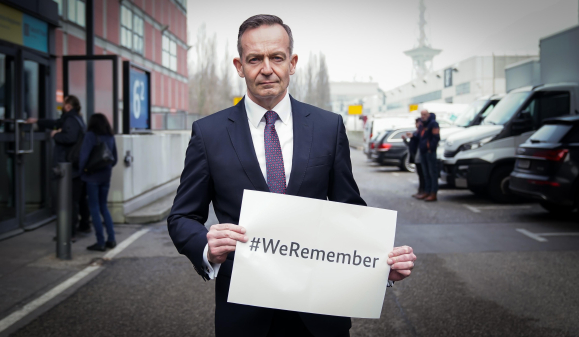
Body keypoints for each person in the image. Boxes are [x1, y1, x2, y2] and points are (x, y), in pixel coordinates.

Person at [167, 15, 416, 337]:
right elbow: (182, 216)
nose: (266, 68)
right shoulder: (209, 133)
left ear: (293, 62)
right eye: (255, 59)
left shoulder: (328, 127)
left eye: (277, 57)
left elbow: (350, 211)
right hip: (244, 314)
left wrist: (380, 263)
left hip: (321, 310)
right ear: (239, 66)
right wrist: (206, 246)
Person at [27, 95, 91, 237]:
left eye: (63, 104)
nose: (62, 106)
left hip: (69, 165)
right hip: (76, 164)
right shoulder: (76, 119)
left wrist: (55, 135)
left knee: (70, 199)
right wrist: (38, 121)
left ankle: (69, 232)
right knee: (78, 198)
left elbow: (69, 137)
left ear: (68, 106)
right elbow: (56, 123)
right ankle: (84, 224)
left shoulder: (70, 120)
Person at [77, 113, 118, 252]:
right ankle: (111, 239)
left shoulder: (90, 135)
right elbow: (115, 159)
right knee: (103, 207)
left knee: (94, 208)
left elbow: (84, 156)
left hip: (92, 176)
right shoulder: (110, 136)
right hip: (105, 176)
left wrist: (82, 172)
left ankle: (100, 242)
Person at [417, 110, 440, 202]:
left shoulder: (433, 124)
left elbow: (436, 137)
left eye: (424, 114)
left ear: (428, 115)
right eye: (421, 115)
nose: (422, 116)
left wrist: (430, 147)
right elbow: (420, 136)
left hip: (429, 151)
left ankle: (433, 193)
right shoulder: (422, 124)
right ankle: (427, 191)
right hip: (423, 151)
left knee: (432, 173)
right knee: (426, 173)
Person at [403, 118, 425, 198]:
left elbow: (419, 140)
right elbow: (410, 145)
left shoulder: (420, 133)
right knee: (420, 175)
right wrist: (405, 139)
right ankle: (420, 191)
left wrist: (413, 136)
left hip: (419, 157)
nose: (417, 125)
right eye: (416, 123)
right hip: (415, 156)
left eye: (418, 123)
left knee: (422, 175)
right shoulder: (416, 132)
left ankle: (423, 191)